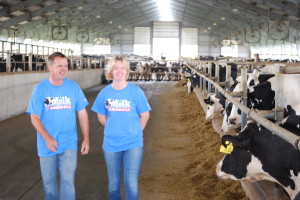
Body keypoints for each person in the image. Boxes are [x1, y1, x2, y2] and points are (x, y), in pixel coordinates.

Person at [26, 52, 90, 200]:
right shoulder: (40, 89)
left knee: (68, 182)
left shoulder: (73, 88)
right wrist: (47, 137)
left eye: (66, 66)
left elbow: (82, 113)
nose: (64, 69)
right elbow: (34, 117)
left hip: (68, 143)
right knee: (49, 185)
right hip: (46, 145)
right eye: (59, 66)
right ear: (50, 67)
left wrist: (86, 138)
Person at [92, 55, 151, 200]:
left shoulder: (136, 92)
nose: (119, 71)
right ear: (110, 71)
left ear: (126, 71)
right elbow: (101, 116)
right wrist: (114, 127)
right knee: (113, 185)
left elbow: (145, 115)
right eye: (115, 68)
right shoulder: (104, 93)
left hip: (133, 144)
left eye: (122, 68)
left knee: (131, 184)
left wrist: (136, 131)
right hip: (111, 144)